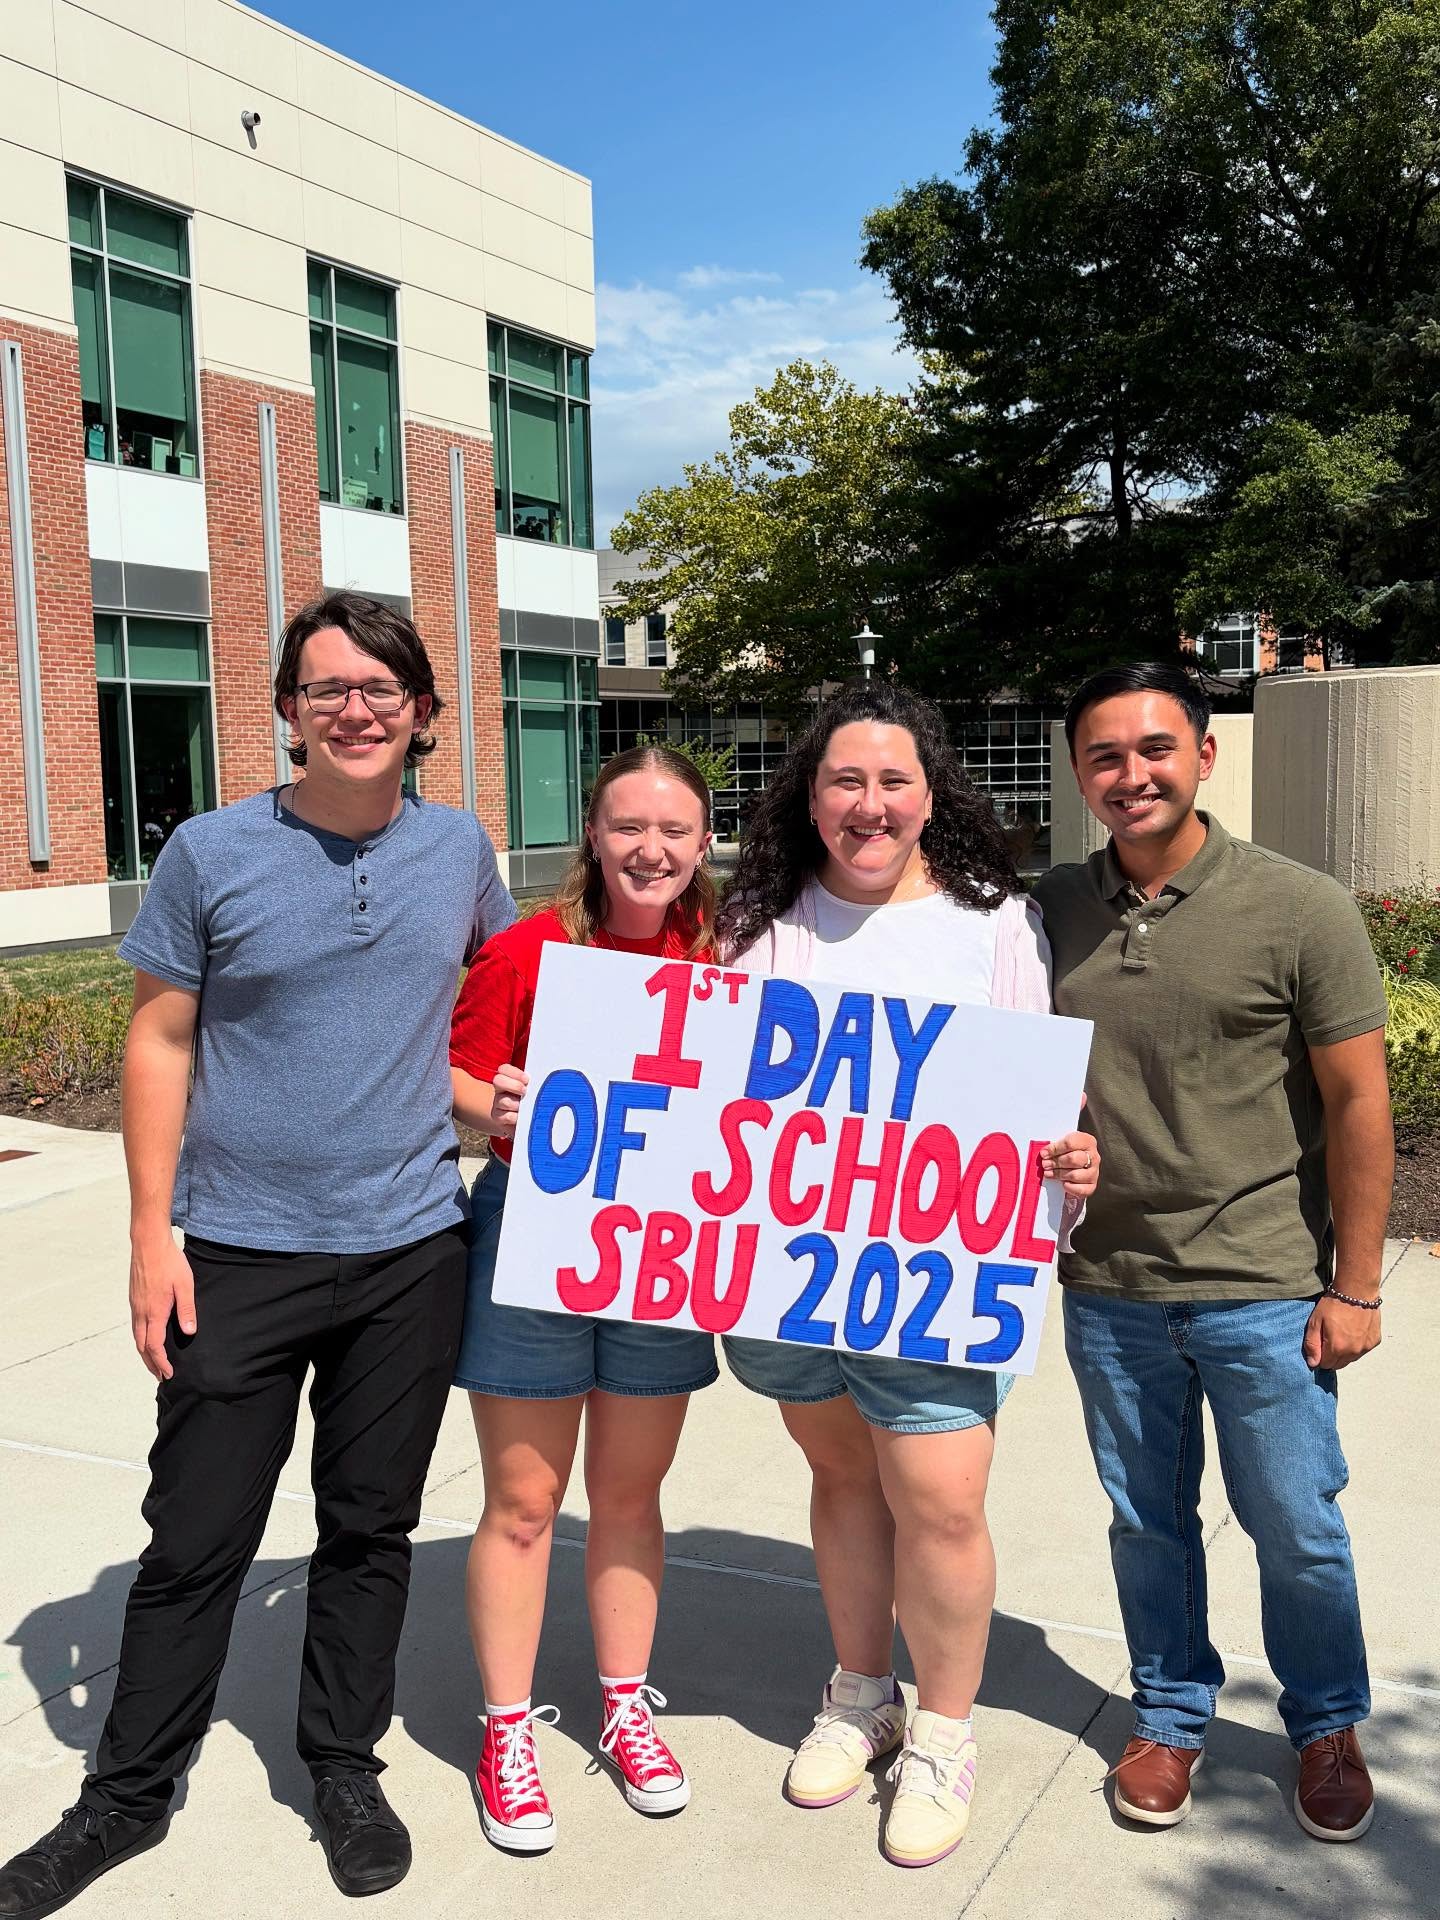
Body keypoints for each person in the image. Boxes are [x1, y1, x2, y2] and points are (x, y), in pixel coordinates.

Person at [0, 593, 514, 1919]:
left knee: (369, 1529)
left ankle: (343, 1767)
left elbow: (481, 1028)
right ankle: (125, 1797)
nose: (356, 709)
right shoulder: (211, 851)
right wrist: (148, 1238)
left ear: (420, 712)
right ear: (288, 709)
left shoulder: (461, 850)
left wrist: (504, 1105)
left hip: (412, 1250)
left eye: (382, 688)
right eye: (328, 687)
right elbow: (159, 1039)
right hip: (238, 1252)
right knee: (196, 1538)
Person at [716, 681, 1100, 1870]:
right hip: (788, 1271)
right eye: (846, 779)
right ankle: (860, 1693)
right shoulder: (763, 917)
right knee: (843, 1480)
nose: (869, 804)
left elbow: (1037, 1095)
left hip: (935, 1275)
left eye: (893, 780)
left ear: (933, 795)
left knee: (939, 1500)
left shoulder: (994, 922)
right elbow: (705, 1079)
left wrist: (1068, 1158)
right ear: (810, 795)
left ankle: (942, 1732)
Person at [1032, 662, 1392, 1843]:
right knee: (1147, 1524)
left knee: (1297, 1526)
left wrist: (1356, 1287)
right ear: (1078, 772)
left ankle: (1327, 1724)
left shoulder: (1300, 908)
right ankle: (1171, 1713)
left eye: (1154, 749)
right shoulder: (1050, 910)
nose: (1130, 774)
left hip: (1265, 1289)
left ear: (1204, 755)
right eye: (1104, 755)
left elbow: (1360, 1107)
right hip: (1111, 1286)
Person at [448, 745, 720, 1854]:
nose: (651, 849)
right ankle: (506, 1733)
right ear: (594, 837)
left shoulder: (733, 954)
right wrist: (495, 1106)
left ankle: (623, 1709)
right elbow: (457, 1073)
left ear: (704, 842)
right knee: (524, 1501)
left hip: (666, 1250)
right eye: (628, 827)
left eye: (674, 829)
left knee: (629, 1496)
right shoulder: (527, 950)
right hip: (538, 1237)